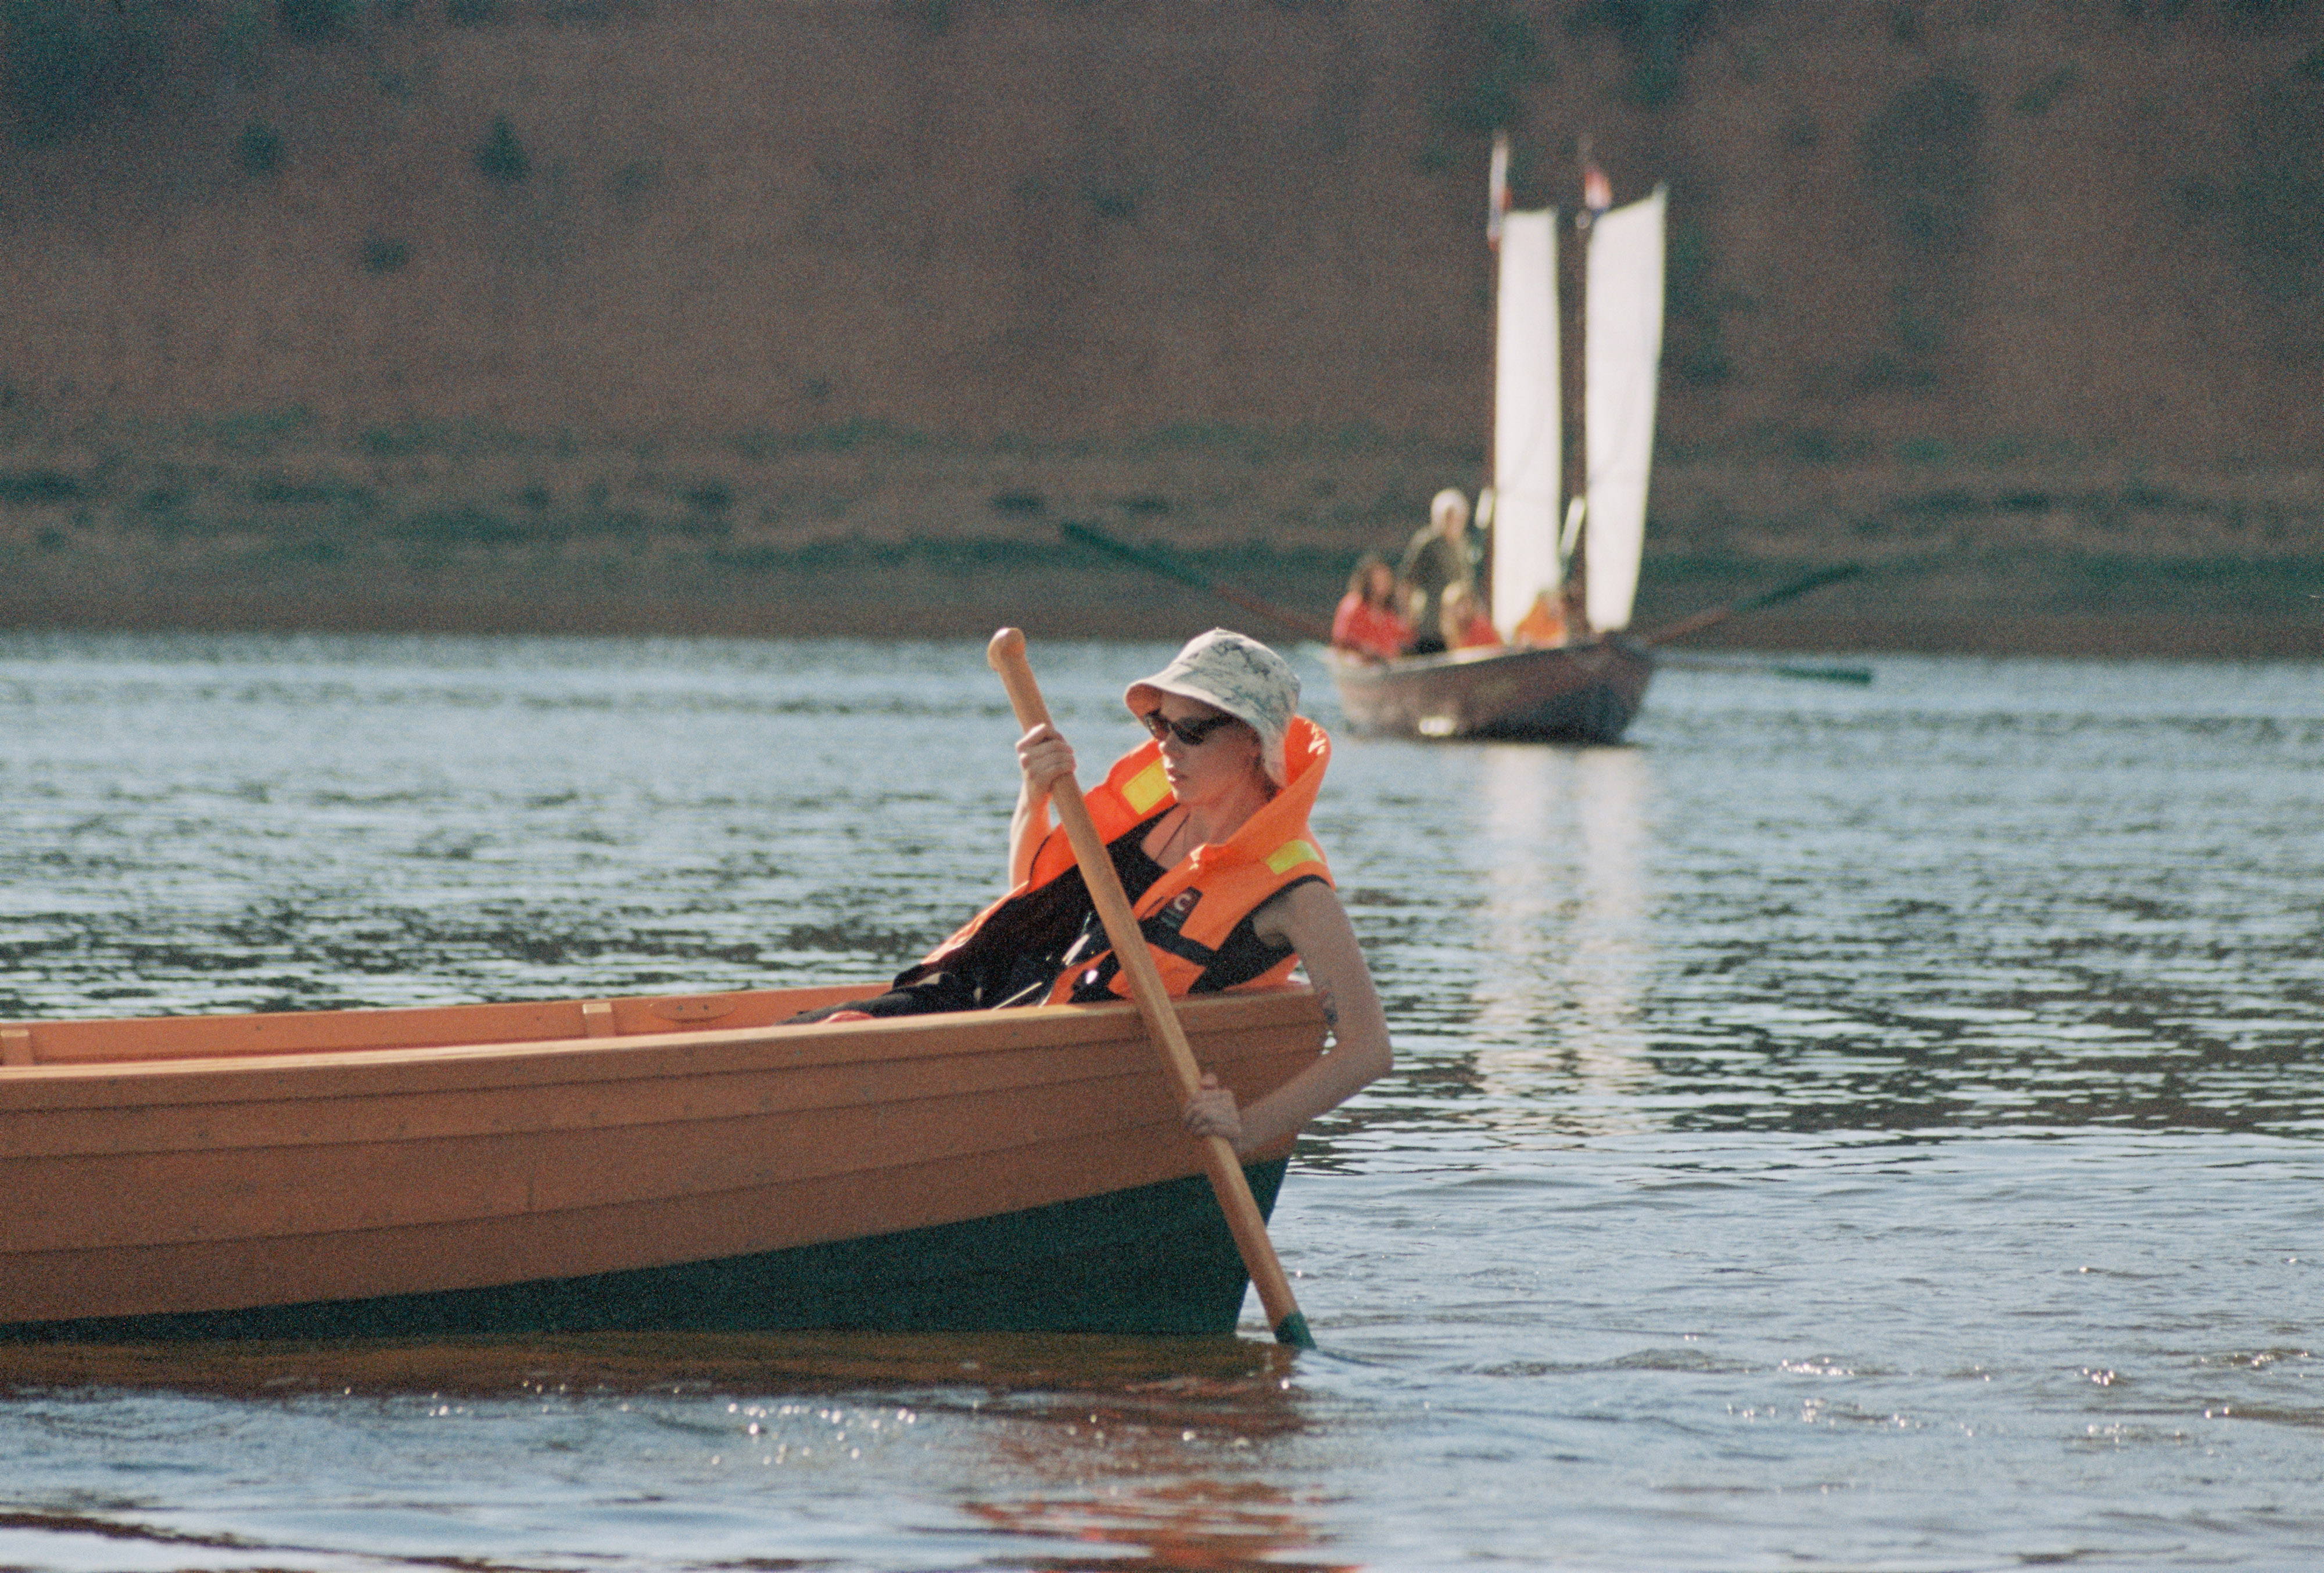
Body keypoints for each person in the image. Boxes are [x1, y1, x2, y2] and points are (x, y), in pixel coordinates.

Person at [792, 630, 1391, 1158]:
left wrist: (1246, 1127)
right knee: (801, 1035)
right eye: (1159, 724)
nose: (1166, 745)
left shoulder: (1295, 889)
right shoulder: (1154, 808)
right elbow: (1033, 903)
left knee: (821, 1057)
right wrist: (1034, 796)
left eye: (1190, 730)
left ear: (1253, 742)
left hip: (1041, 1073)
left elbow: (1367, 1050)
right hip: (980, 1001)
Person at [1396, 487, 1476, 656]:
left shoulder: (1463, 545)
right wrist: (1407, 614)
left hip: (1457, 626)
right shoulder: (1428, 543)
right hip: (1431, 623)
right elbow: (1407, 582)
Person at [1330, 553, 1414, 660]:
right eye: (1378, 580)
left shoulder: (1389, 614)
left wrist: (1405, 606)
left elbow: (1405, 640)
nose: (1382, 586)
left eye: (1385, 580)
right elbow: (1342, 641)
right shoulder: (1354, 605)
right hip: (1355, 662)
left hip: (1381, 666)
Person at [1440, 582, 1501, 651]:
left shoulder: (1481, 627)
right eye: (1458, 605)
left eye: (1465, 603)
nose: (1462, 609)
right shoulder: (1451, 631)